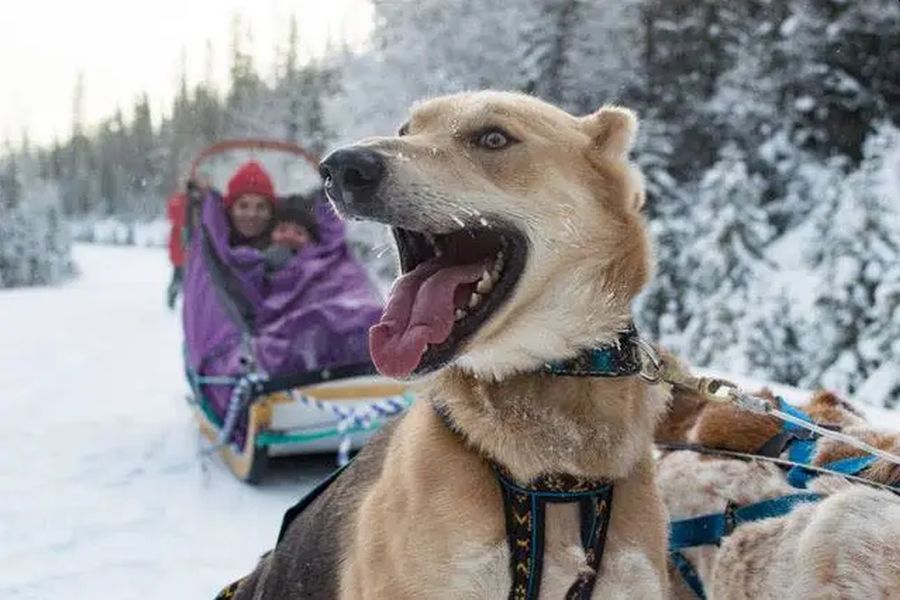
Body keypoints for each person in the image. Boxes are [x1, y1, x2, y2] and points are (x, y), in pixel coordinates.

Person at [223, 161, 277, 250]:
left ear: (271, 213)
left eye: (261, 207)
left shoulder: (289, 252)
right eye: (243, 206)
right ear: (230, 210)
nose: (252, 214)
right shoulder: (209, 249)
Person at [264, 194, 320, 272]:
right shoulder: (259, 262)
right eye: (282, 230)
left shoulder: (316, 266)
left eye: (299, 233)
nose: (289, 236)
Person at [165, 189, 186, 309]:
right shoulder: (177, 201)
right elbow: (177, 219)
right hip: (179, 251)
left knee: (182, 277)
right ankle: (172, 297)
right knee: (178, 276)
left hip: (185, 251)